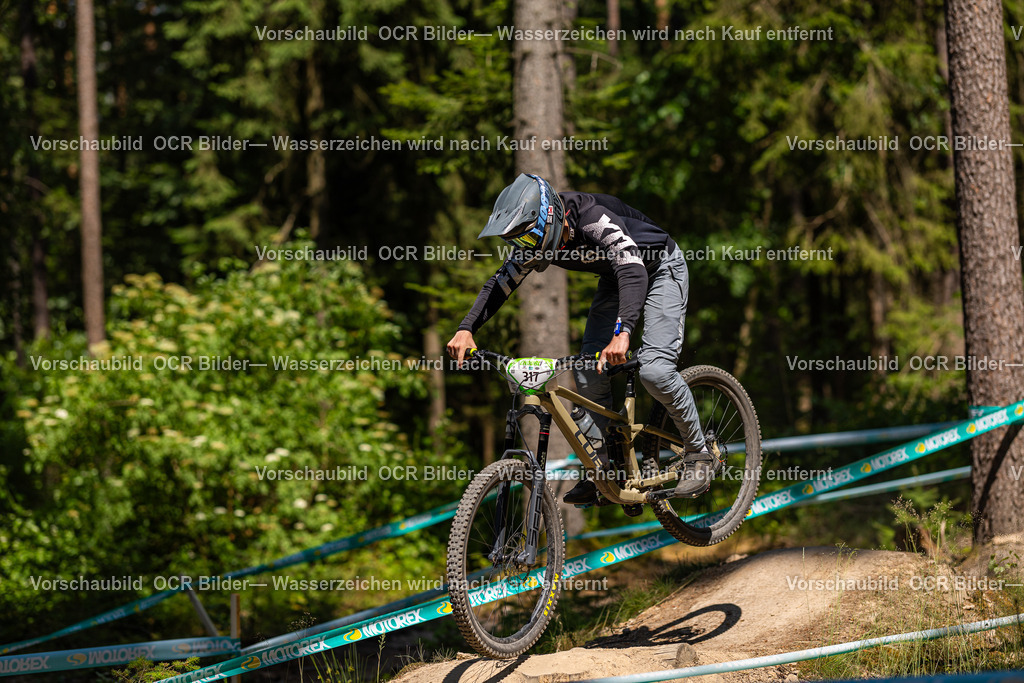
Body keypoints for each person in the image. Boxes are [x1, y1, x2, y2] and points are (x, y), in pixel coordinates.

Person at [446, 173, 718, 504]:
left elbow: (632, 268)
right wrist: (467, 328)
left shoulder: (592, 219)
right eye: (517, 244)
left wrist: (623, 331)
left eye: (527, 240)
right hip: (614, 278)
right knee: (588, 370)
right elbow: (501, 283)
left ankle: (700, 454)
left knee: (654, 370)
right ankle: (604, 470)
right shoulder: (540, 236)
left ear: (549, 219)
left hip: (658, 267)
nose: (525, 251)